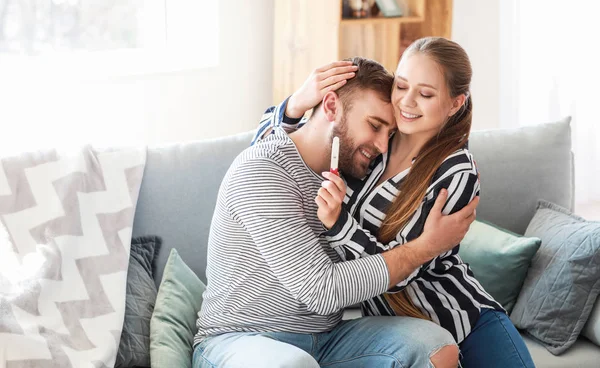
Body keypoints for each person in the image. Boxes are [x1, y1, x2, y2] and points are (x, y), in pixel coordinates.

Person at [256, 37, 535, 368]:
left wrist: (339, 225)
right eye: (401, 86)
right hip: (403, 337)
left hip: (466, 325)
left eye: (426, 94)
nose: (407, 101)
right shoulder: (374, 144)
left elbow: (403, 271)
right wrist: (295, 104)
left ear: (455, 103)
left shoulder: (456, 171)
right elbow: (265, 155)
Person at [194, 57, 480, 368]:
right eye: (374, 125)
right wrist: (424, 248)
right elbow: (323, 291)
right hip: (242, 340)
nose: (384, 146)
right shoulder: (262, 171)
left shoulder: (349, 172)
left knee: (435, 346)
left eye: (390, 132)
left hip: (326, 338)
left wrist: (290, 111)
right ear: (330, 106)